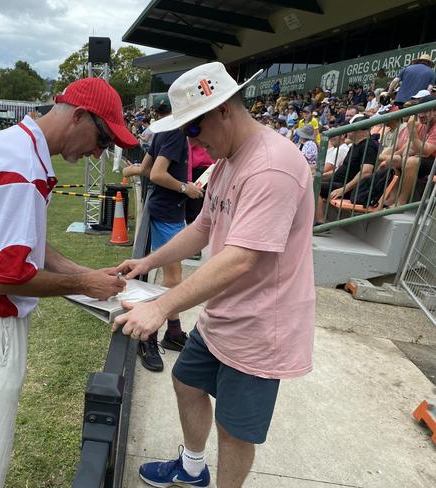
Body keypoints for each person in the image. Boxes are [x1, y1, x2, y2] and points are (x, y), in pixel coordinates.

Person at [113, 61, 314, 488]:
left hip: (261, 326)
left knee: (235, 429)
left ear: (223, 110)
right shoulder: (228, 161)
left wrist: (161, 306)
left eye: (192, 128)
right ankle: (191, 468)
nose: (192, 140)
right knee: (186, 381)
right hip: (225, 313)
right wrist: (147, 263)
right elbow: (204, 227)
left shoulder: (272, 166)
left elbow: (242, 258)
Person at [0, 77, 136, 488]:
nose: (100, 152)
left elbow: (27, 242)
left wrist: (83, 273)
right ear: (79, 116)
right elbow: (5, 278)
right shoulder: (22, 168)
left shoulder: (17, 144)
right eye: (102, 138)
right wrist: (84, 284)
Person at [122, 102, 204, 372]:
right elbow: (157, 173)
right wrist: (185, 188)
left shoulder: (162, 131)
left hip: (166, 210)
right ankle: (151, 337)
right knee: (172, 279)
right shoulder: (175, 133)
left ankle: (172, 332)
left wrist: (131, 170)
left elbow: (146, 169)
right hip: (168, 212)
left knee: (171, 277)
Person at [315, 114, 378, 224]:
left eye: (351, 128)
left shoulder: (369, 146)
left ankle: (321, 222)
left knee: (313, 185)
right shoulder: (355, 146)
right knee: (308, 181)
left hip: (348, 189)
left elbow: (366, 172)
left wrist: (343, 189)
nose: (348, 131)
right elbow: (341, 169)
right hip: (337, 183)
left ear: (359, 130)